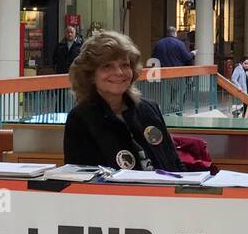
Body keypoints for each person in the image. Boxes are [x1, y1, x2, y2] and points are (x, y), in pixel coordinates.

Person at [63, 30, 182, 170]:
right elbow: (81, 178)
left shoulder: (149, 109)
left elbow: (175, 165)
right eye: (107, 66)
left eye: (125, 65)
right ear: (90, 75)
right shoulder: (81, 118)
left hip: (165, 190)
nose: (119, 72)